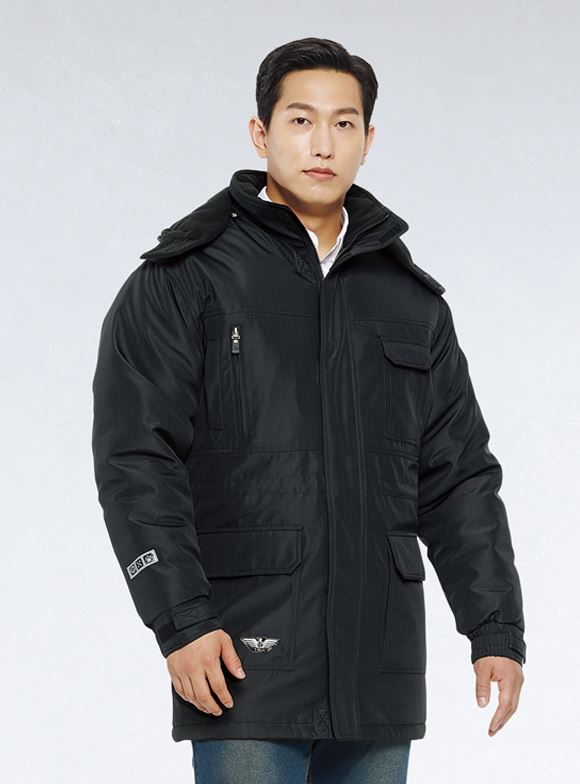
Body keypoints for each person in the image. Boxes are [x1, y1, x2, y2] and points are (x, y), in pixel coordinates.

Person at [91, 37, 526, 784]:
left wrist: (496, 628)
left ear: (367, 140)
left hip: (379, 667)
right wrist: (181, 620)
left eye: (343, 123)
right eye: (300, 120)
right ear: (261, 133)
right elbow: (137, 460)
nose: (323, 144)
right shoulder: (184, 280)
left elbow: (458, 477)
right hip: (240, 657)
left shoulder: (411, 302)